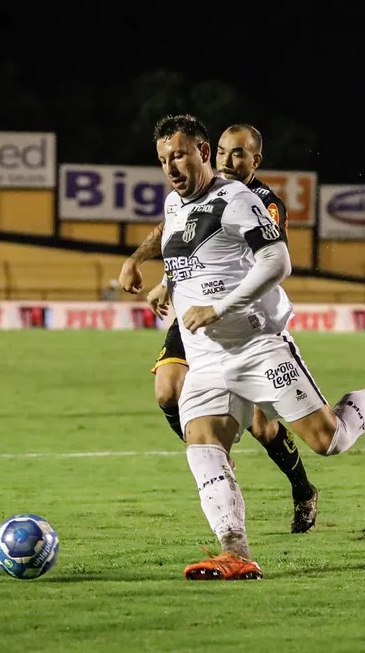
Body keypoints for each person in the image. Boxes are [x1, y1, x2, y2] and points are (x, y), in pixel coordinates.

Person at [132, 114, 365, 580]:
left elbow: (277, 261)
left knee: (329, 440)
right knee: (202, 443)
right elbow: (193, 256)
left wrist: (220, 307)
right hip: (207, 357)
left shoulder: (237, 199)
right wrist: (168, 285)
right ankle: (235, 552)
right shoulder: (174, 206)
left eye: (179, 155)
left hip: (258, 346)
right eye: (163, 159)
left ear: (202, 152)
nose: (171, 167)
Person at [121, 123, 321, 534]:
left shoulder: (259, 202)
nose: (230, 161)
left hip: (240, 323)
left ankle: (302, 487)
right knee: (166, 389)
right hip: (194, 317)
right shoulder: (189, 197)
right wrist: (157, 274)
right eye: (226, 152)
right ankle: (217, 458)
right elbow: (179, 236)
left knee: (265, 427)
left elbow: (264, 259)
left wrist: (220, 302)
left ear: (255, 161)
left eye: (239, 154)